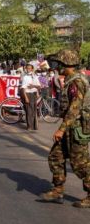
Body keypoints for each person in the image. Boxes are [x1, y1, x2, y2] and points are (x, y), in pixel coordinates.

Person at [40, 50, 90, 208]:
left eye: (59, 63)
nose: (57, 66)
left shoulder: (77, 82)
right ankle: (58, 190)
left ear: (65, 64)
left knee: (80, 164)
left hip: (77, 128)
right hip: (69, 126)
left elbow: (74, 109)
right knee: (55, 157)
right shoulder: (70, 79)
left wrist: (61, 129)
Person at [21, 64, 41, 130]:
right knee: (28, 110)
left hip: (34, 94)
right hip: (27, 94)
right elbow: (23, 88)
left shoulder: (35, 76)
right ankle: (29, 126)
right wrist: (26, 97)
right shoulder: (25, 77)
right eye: (27, 68)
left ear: (32, 69)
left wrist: (34, 87)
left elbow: (39, 86)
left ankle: (34, 126)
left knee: (34, 110)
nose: (28, 69)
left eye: (30, 68)